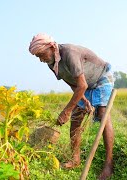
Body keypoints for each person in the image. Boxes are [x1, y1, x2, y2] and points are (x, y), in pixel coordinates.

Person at [28, 33, 115, 180]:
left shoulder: (69, 54)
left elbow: (82, 85)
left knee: (102, 114)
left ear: (51, 47)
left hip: (101, 78)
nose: (41, 59)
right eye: (38, 57)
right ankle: (75, 159)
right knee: (76, 118)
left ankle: (109, 164)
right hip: (84, 85)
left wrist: (65, 111)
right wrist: (84, 101)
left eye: (42, 54)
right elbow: (73, 83)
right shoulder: (52, 63)